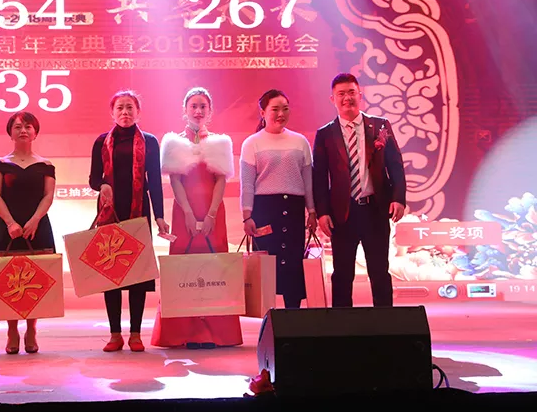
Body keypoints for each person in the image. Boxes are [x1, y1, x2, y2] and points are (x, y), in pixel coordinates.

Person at [151, 87, 242, 348]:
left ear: (210, 110)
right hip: (184, 213)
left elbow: (221, 180)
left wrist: (211, 213)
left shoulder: (220, 142)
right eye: (194, 106)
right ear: (185, 110)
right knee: (183, 268)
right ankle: (182, 333)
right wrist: (189, 214)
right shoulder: (173, 142)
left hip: (214, 213)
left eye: (203, 106)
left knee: (216, 268)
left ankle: (217, 333)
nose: (198, 111)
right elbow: (175, 181)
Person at [312, 73, 406, 307]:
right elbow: (319, 177)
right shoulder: (325, 134)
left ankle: (385, 320)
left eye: (351, 92)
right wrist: (322, 212)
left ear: (360, 95)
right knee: (342, 274)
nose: (347, 98)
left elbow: (395, 164)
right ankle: (343, 323)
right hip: (342, 213)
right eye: (341, 94)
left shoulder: (380, 126)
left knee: (379, 271)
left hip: (375, 208)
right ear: (332, 99)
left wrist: (398, 198)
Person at [89, 90, 169, 352]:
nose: (125, 112)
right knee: (110, 273)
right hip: (109, 212)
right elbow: (93, 179)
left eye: (129, 107)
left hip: (138, 212)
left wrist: (159, 216)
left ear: (138, 112)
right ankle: (115, 334)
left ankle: (135, 333)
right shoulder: (101, 142)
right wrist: (102, 186)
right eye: (120, 108)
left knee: (137, 275)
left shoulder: (150, 142)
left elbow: (154, 182)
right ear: (112, 113)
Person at [240, 89, 317, 309]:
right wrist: (247, 216)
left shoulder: (300, 142)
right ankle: (268, 318)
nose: (281, 114)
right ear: (263, 112)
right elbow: (247, 184)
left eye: (285, 108)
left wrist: (312, 211)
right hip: (265, 211)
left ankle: (293, 316)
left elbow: (308, 181)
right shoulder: (251, 143)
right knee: (267, 266)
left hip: (293, 210)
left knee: (293, 262)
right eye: (275, 109)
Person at [0, 112, 56, 354]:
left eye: (28, 126)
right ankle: (12, 330)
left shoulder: (46, 165)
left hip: (37, 227)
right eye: (17, 127)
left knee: (35, 280)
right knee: (9, 280)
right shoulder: (0, 163)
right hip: (7, 227)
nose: (23, 130)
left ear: (35, 132)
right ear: (10, 133)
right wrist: (10, 223)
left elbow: (48, 196)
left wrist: (35, 220)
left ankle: (32, 329)